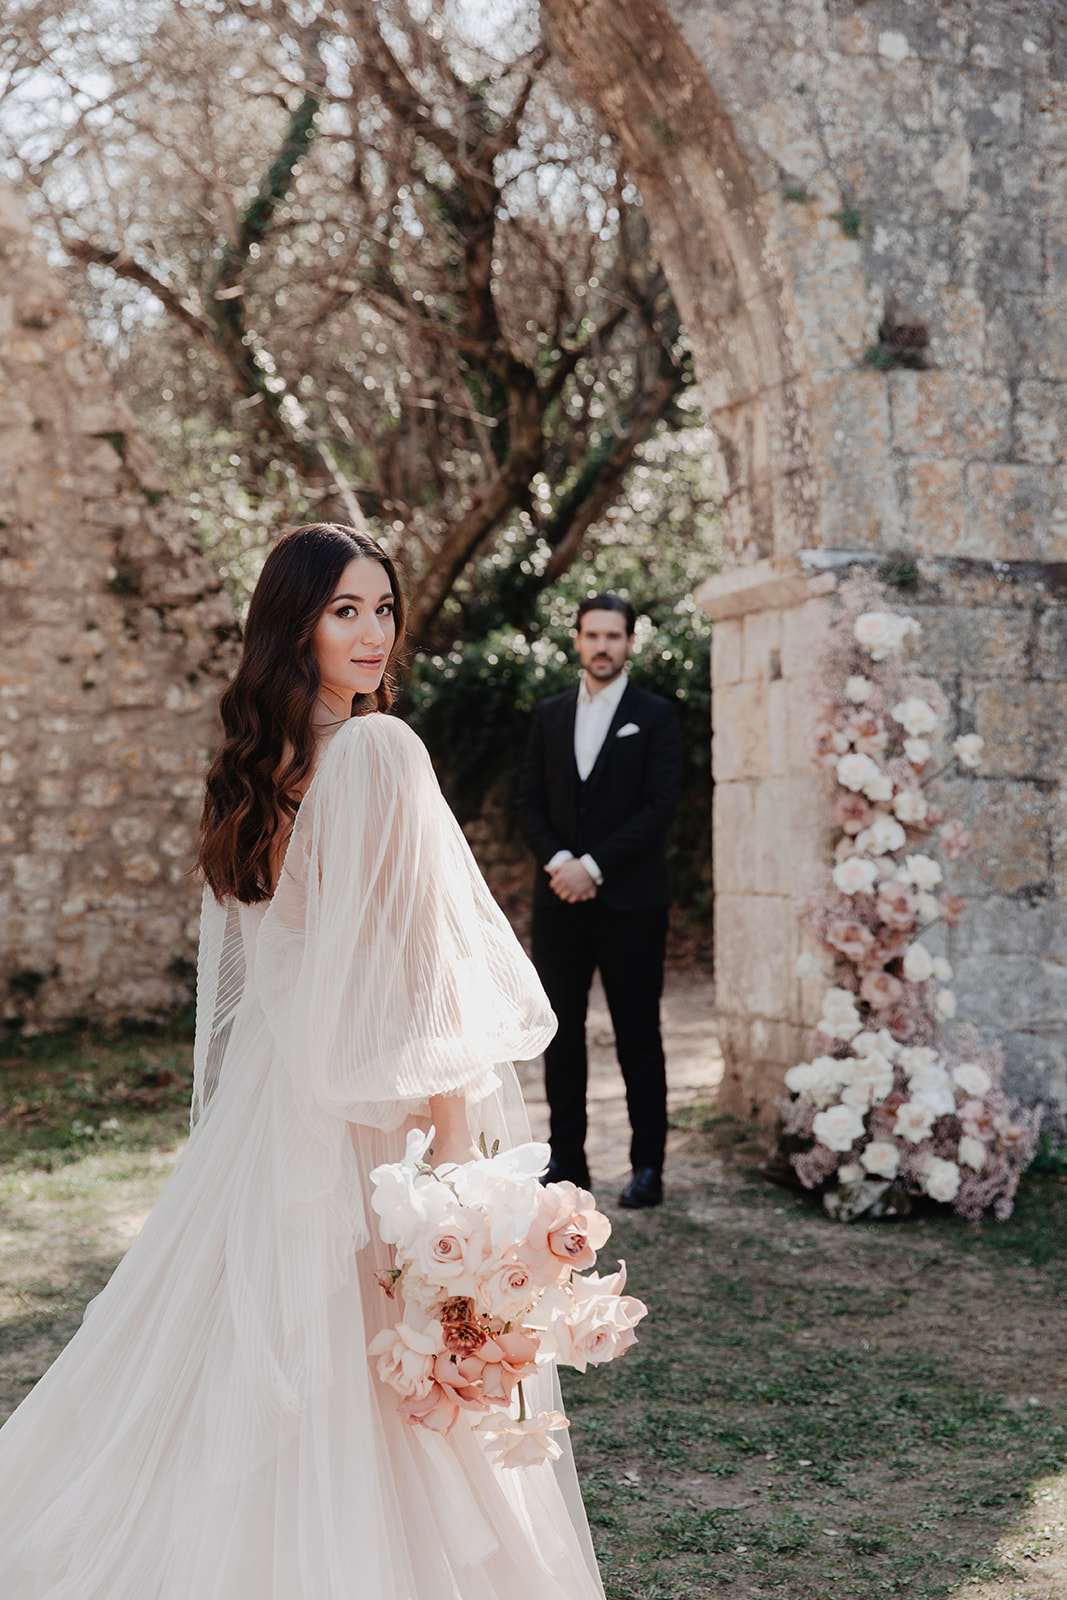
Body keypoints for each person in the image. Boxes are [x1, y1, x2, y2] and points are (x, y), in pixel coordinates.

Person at [0, 523, 606, 1600]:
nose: (374, 633)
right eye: (344, 611)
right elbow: (422, 962)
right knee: (386, 1340)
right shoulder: (379, 751)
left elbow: (271, 977)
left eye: (383, 608)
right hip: (377, 1107)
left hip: (273, 1112)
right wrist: (454, 1147)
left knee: (272, 1345)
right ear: (296, 627)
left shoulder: (254, 771)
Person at [519, 594, 683, 1210]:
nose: (602, 646)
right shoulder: (549, 714)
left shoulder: (655, 716)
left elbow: (660, 806)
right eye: (593, 635)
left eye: (614, 636)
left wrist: (593, 866)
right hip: (559, 901)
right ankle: (568, 1160)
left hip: (632, 904)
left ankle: (647, 1167)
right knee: (561, 1034)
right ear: (578, 640)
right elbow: (528, 801)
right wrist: (561, 862)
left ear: (630, 643)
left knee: (638, 1033)